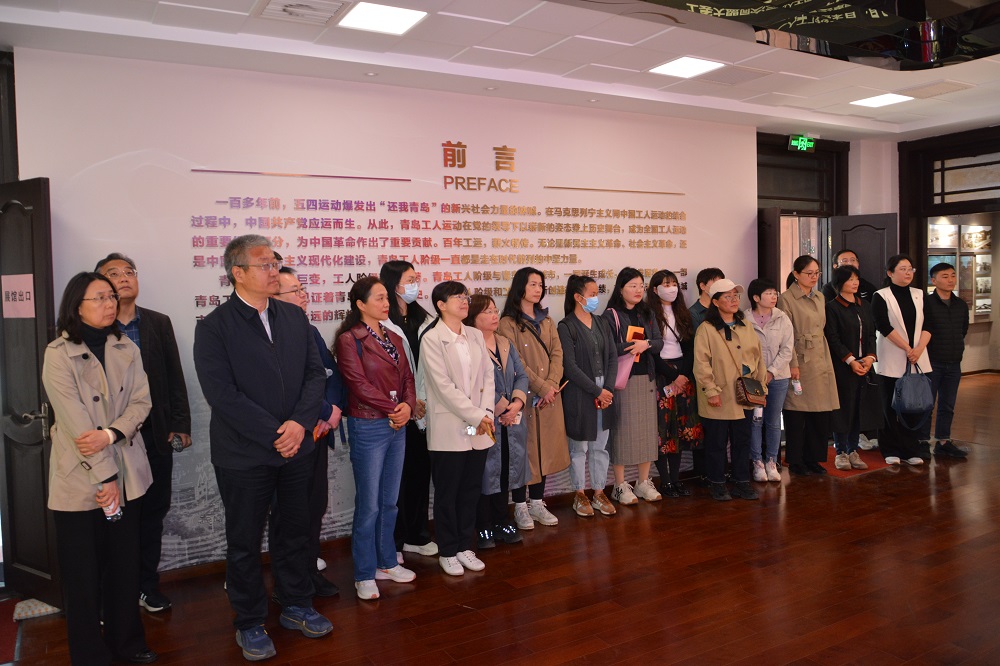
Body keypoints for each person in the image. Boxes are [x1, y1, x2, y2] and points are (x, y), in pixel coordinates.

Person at [194, 235, 331, 661]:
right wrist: (277, 433)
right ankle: (250, 621)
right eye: (265, 264)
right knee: (244, 540)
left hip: (297, 448)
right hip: (244, 454)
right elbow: (222, 395)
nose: (274, 271)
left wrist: (298, 424)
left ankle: (295, 603)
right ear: (238, 272)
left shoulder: (293, 316)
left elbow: (315, 375)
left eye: (275, 263)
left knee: (295, 531)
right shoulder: (214, 327)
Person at [43, 272, 156, 666]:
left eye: (111, 297)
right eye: (99, 298)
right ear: (77, 307)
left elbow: (142, 403)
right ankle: (90, 654)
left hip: (128, 472)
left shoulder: (126, 346)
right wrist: (106, 477)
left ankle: (128, 642)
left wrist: (110, 434)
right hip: (81, 478)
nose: (110, 304)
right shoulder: (58, 353)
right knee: (83, 575)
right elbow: (76, 424)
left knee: (124, 566)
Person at [95, 253, 191, 614]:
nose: (124, 278)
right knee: (114, 516)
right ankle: (112, 594)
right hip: (110, 440)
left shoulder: (157, 322)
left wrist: (180, 424)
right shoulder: (93, 326)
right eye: (113, 273)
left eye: (129, 272)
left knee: (152, 513)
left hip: (154, 435)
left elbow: (174, 375)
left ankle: (147, 587)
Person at [334, 276, 417, 600]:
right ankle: (364, 573)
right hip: (369, 425)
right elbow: (358, 384)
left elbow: (407, 377)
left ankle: (387, 562)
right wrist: (395, 408)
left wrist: (407, 406)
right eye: (379, 298)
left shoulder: (392, 336)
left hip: (397, 425)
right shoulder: (349, 339)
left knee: (389, 501)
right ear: (360, 304)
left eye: (386, 297)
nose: (386, 303)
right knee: (368, 505)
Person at [271, 265, 346, 597]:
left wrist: (334, 410)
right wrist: (324, 411)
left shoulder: (310, 329)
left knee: (315, 506)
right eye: (295, 291)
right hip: (294, 436)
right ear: (273, 296)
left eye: (303, 289)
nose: (303, 296)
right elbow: (293, 385)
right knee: (291, 513)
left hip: (318, 434)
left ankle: (309, 570)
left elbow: (330, 373)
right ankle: (289, 582)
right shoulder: (271, 335)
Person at [419, 282, 495, 575]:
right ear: (441, 305)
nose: (464, 301)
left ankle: (465, 546)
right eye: (457, 297)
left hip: (478, 426)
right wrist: (477, 416)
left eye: (466, 296)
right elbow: (443, 387)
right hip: (450, 426)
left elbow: (488, 377)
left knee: (470, 489)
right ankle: (448, 550)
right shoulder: (432, 338)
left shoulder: (474, 334)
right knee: (448, 492)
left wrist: (486, 413)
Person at [498, 267, 570, 528]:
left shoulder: (547, 320)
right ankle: (520, 506)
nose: (538, 289)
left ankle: (537, 503)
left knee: (545, 450)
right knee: (523, 452)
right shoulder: (507, 323)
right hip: (524, 397)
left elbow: (558, 354)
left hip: (549, 397)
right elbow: (516, 362)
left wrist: (552, 385)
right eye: (532, 284)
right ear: (520, 287)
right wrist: (541, 387)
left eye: (540, 285)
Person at [380, 260, 438, 560]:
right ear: (393, 285)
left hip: (423, 410)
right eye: (410, 280)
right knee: (395, 480)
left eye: (416, 279)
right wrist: (408, 401)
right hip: (397, 410)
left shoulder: (423, 318)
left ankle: (417, 533)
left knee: (419, 473)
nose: (415, 285)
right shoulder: (382, 321)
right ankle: (395, 539)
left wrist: (421, 399)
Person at [693, 279, 767, 501]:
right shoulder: (706, 329)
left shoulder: (746, 326)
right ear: (715, 302)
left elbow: (758, 358)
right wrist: (711, 391)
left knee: (742, 440)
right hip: (719, 394)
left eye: (736, 296)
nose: (734, 300)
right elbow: (701, 364)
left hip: (745, 393)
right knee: (716, 442)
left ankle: (741, 482)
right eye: (728, 296)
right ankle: (717, 483)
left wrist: (761, 386)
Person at [466, 295, 530, 544]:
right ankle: (483, 525)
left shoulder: (504, 342)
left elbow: (521, 375)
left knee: (505, 470)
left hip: (509, 421)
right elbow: (475, 384)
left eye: (495, 310)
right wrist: (503, 407)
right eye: (488, 312)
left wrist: (517, 403)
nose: (494, 316)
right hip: (483, 420)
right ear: (473, 317)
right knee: (484, 473)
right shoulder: (469, 345)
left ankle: (502, 520)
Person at [558, 275, 618, 516]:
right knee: (579, 447)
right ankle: (579, 494)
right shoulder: (566, 326)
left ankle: (599, 491)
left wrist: (608, 389)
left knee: (600, 446)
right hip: (580, 391)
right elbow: (570, 367)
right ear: (578, 297)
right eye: (592, 294)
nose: (596, 298)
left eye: (596, 294)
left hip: (605, 390)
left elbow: (612, 357)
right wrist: (597, 391)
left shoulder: (602, 322)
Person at [603, 267, 663, 505]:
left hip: (646, 378)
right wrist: (631, 346)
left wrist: (646, 344)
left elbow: (659, 342)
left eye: (641, 286)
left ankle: (643, 482)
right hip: (622, 380)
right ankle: (619, 485)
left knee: (647, 432)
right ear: (620, 289)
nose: (638, 290)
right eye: (632, 286)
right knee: (622, 432)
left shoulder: (647, 312)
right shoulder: (611, 315)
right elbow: (607, 348)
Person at [777, 255, 840, 476]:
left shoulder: (820, 296)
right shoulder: (786, 299)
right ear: (796, 274)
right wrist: (793, 363)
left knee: (820, 412)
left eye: (817, 273)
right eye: (809, 273)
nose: (814, 277)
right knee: (797, 412)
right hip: (799, 359)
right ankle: (796, 460)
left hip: (820, 358)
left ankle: (814, 458)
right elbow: (786, 336)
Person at [872, 254, 932, 465]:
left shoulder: (920, 295)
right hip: (892, 357)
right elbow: (883, 325)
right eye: (903, 269)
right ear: (890, 273)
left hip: (918, 357)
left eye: (910, 269)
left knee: (914, 405)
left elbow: (929, 325)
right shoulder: (881, 296)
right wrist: (907, 348)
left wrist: (918, 349)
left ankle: (910, 450)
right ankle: (890, 449)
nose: (908, 273)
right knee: (890, 406)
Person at [648, 270, 702, 496]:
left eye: (673, 283)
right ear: (654, 289)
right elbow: (651, 351)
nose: (670, 288)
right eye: (665, 284)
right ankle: (666, 481)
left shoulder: (682, 312)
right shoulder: (649, 314)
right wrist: (672, 376)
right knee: (663, 430)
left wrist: (683, 374)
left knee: (680, 429)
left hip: (683, 374)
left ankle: (677, 479)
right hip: (662, 374)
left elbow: (690, 346)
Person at [823, 266, 879, 471]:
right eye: (850, 279)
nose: (855, 282)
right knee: (843, 409)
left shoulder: (865, 305)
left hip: (864, 365)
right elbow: (833, 338)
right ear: (840, 283)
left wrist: (870, 358)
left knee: (858, 409)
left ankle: (853, 449)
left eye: (857, 278)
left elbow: (871, 334)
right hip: (843, 366)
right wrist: (851, 360)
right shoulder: (832, 307)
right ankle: (841, 452)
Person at [919, 262, 970, 459]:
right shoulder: (926, 303)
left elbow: (963, 330)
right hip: (932, 362)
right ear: (934, 280)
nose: (950, 280)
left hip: (954, 362)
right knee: (927, 404)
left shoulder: (960, 304)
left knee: (948, 405)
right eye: (945, 276)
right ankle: (922, 441)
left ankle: (943, 441)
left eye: (953, 275)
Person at [745, 278, 793, 482]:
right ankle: (757, 462)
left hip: (779, 377)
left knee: (773, 421)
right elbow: (743, 350)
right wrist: (758, 374)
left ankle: (772, 461)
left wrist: (771, 371)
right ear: (756, 297)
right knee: (755, 421)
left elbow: (787, 349)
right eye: (769, 293)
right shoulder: (745, 318)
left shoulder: (783, 318)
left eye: (775, 293)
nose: (774, 297)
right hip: (753, 380)